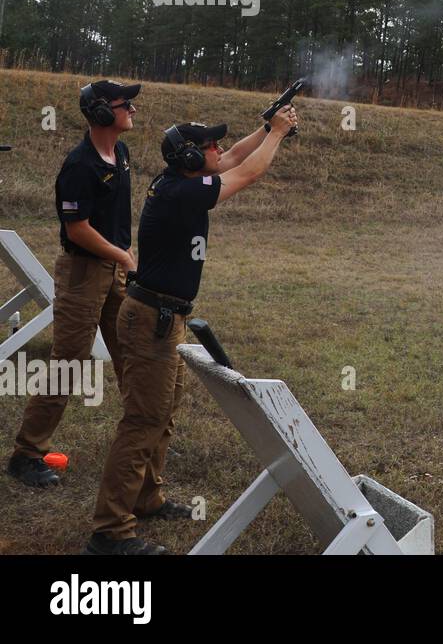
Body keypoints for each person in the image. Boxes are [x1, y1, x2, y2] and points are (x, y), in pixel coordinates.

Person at [84, 105, 297, 555]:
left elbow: (237, 156)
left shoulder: (181, 182)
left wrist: (265, 126)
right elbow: (249, 172)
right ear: (187, 157)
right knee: (142, 421)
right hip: (151, 321)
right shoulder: (183, 193)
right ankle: (109, 530)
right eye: (209, 146)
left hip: (162, 317)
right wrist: (277, 135)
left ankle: (146, 498)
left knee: (162, 415)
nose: (218, 149)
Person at [7, 80, 140, 489]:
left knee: (132, 354)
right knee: (69, 363)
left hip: (113, 268)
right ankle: (26, 454)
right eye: (125, 104)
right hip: (84, 272)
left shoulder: (120, 152)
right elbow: (77, 229)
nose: (133, 110)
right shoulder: (80, 166)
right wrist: (121, 255)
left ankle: (142, 436)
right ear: (101, 113)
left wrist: (120, 257)